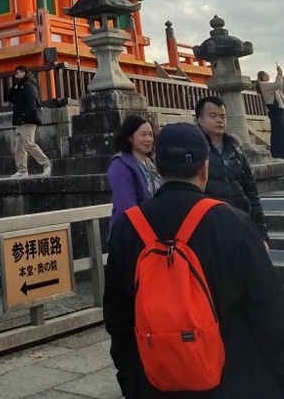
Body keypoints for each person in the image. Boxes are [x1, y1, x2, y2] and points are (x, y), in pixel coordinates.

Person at [103, 122, 284, 398]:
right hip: (229, 377)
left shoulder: (127, 228)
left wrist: (131, 378)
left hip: (153, 377)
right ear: (205, 169)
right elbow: (268, 309)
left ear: (158, 166)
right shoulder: (233, 222)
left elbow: (117, 317)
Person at [194, 95, 268, 243]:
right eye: (213, 116)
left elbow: (252, 193)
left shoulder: (236, 149)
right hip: (212, 227)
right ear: (200, 121)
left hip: (241, 223)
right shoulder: (197, 152)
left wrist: (261, 234)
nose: (219, 120)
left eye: (223, 116)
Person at [107, 115, 161, 230]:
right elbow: (126, 207)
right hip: (131, 231)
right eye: (143, 135)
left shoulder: (152, 162)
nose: (149, 139)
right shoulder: (120, 165)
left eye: (151, 135)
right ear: (130, 137)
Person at [7, 66, 51, 177]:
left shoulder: (30, 85)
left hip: (28, 119)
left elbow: (31, 103)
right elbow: (11, 98)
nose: (16, 75)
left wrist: (25, 116)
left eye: (17, 73)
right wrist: (14, 88)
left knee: (29, 144)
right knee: (18, 146)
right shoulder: (20, 86)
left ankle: (47, 164)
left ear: (23, 72)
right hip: (19, 120)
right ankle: (22, 170)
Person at [255, 64, 284, 159]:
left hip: (278, 110)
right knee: (278, 132)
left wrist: (281, 75)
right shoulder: (263, 85)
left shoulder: (268, 86)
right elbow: (277, 84)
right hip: (275, 111)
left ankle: (280, 152)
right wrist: (278, 73)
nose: (269, 76)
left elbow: (280, 87)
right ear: (262, 76)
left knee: (280, 132)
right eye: (267, 74)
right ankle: (277, 153)